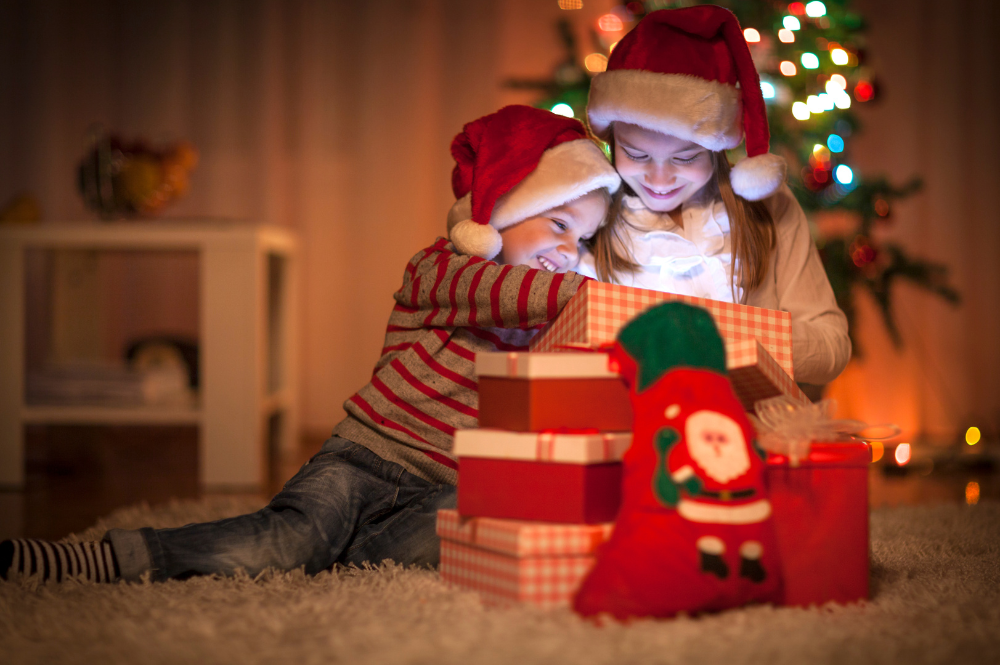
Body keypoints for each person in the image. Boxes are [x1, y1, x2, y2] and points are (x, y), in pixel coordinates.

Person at [0, 105, 620, 584]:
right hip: (364, 460)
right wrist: (598, 302)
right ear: (497, 213)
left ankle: (343, 559)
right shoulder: (443, 269)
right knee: (286, 542)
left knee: (461, 532)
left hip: (440, 488)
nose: (569, 253)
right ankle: (110, 559)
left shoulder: (546, 324)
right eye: (559, 224)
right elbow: (505, 291)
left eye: (584, 241)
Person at [577, 5, 850, 387]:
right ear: (610, 139)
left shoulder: (768, 206)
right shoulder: (586, 212)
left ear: (715, 148)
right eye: (635, 155)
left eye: (686, 157)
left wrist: (723, 337)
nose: (659, 178)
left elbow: (831, 345)